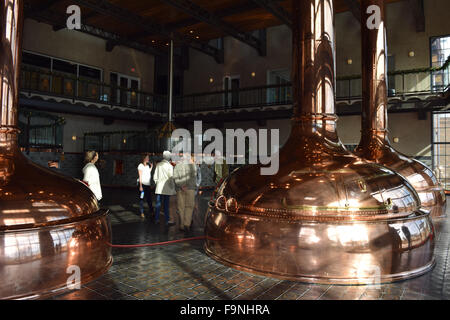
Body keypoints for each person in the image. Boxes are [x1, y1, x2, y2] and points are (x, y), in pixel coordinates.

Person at [174, 153, 197, 233]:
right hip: (190, 189)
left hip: (180, 189)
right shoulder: (192, 165)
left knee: (181, 207)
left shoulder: (177, 166)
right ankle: (187, 224)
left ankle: (182, 225)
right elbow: (193, 177)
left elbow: (175, 178)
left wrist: (181, 185)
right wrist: (187, 186)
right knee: (189, 207)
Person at [153, 151, 176, 226]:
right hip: (167, 189)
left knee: (158, 204)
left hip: (159, 188)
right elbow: (171, 178)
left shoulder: (158, 165)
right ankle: (166, 221)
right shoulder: (170, 166)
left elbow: (155, 177)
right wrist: (173, 188)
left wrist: (157, 184)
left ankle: (156, 219)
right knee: (166, 205)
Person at [138, 153, 154, 219]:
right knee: (141, 199)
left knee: (149, 199)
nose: (148, 159)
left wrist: (151, 167)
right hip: (143, 185)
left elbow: (148, 173)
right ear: (144, 158)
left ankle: (151, 211)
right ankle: (141, 212)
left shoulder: (147, 166)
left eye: (148, 158)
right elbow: (140, 176)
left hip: (147, 185)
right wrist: (140, 186)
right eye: (147, 158)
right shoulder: (140, 165)